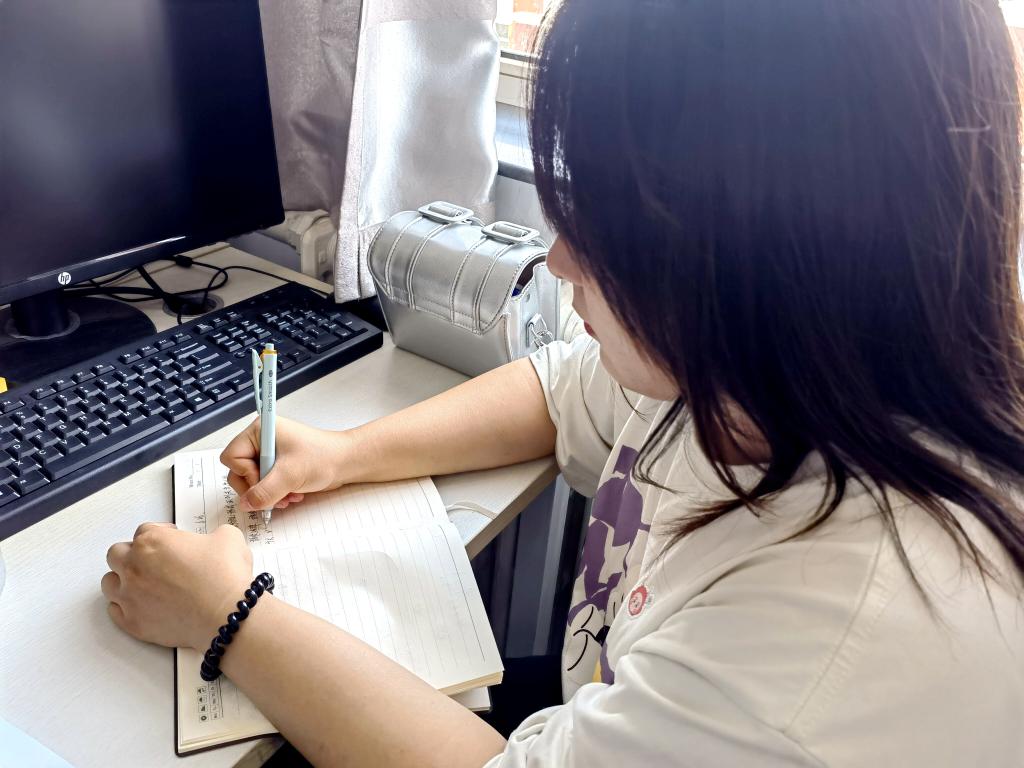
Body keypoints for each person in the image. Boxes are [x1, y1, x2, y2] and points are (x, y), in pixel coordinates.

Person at [101, 0, 1024, 765]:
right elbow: (560, 388)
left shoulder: (833, 630)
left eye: (605, 219)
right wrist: (345, 452)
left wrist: (232, 619)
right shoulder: (770, 372)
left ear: (761, 248)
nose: (560, 259)